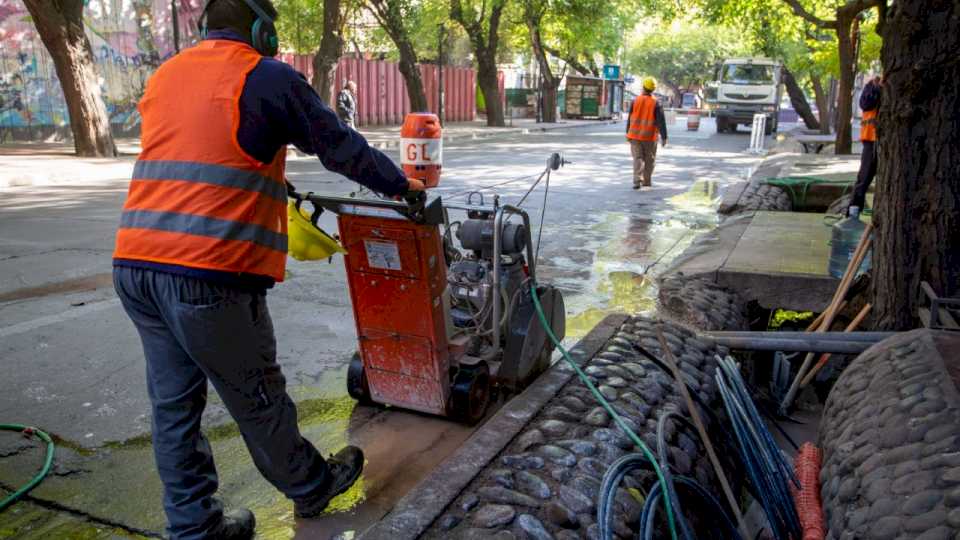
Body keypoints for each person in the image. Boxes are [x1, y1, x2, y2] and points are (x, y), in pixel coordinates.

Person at [111, 0, 424, 538]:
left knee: (173, 407)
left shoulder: (167, 74)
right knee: (256, 392)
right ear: (262, 30)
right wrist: (403, 187)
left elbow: (206, 153)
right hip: (207, 272)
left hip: (136, 265)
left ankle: (194, 527)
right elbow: (339, 147)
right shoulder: (265, 76)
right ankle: (311, 485)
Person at [626, 77, 668, 189]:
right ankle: (646, 181)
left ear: (643, 87)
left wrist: (627, 133)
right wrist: (664, 137)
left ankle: (637, 179)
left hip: (634, 136)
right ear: (653, 89)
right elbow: (661, 122)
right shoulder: (656, 103)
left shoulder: (635, 101)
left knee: (637, 158)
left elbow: (630, 118)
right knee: (649, 160)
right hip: (649, 137)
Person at [849, 75, 882, 215]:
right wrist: (876, 87)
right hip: (871, 139)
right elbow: (865, 104)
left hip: (884, 140)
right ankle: (852, 214)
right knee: (863, 180)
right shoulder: (872, 85)